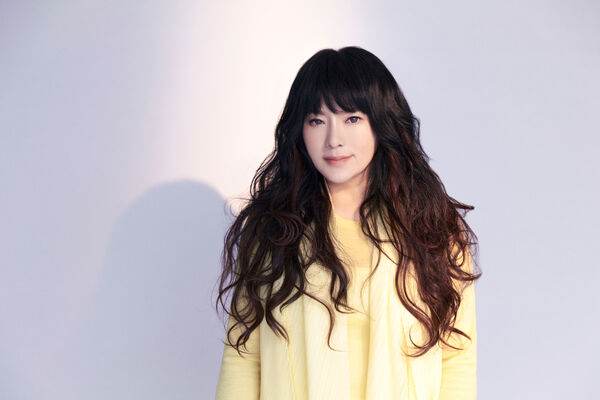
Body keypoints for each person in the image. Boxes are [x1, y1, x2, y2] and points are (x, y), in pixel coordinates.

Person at [214, 46, 481, 400]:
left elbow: (456, 358)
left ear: (381, 123)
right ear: (299, 129)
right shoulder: (274, 229)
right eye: (317, 121)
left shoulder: (432, 229)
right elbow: (244, 357)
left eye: (351, 119)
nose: (333, 139)